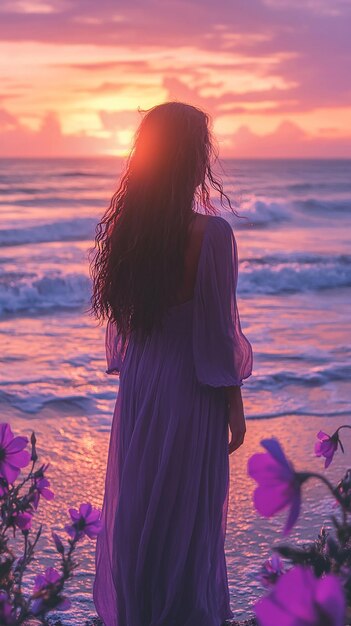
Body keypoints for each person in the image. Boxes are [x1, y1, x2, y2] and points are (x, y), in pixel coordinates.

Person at [90, 101, 253, 626]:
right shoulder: (212, 236)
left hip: (141, 386)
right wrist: (235, 405)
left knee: (140, 512)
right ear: (193, 159)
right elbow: (219, 334)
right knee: (187, 516)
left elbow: (126, 327)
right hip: (190, 387)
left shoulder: (129, 236)